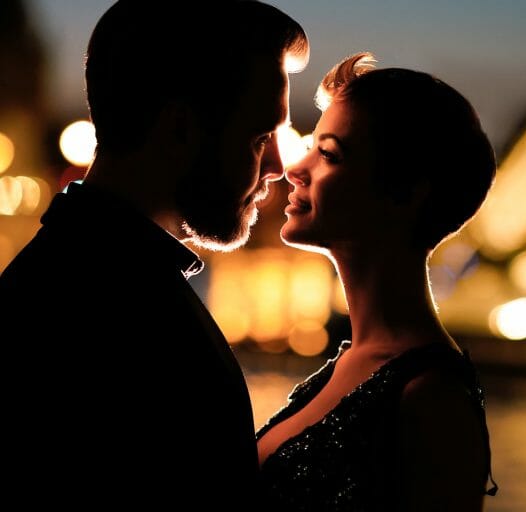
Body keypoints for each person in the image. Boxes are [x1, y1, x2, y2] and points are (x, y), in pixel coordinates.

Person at [0, 0, 308, 505]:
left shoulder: (55, 279)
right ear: (179, 131)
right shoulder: (133, 321)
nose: (278, 164)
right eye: (259, 137)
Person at [255, 53, 498, 511]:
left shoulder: (431, 397)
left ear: (404, 195)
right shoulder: (360, 362)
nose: (294, 169)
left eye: (328, 154)